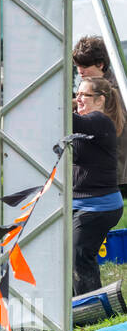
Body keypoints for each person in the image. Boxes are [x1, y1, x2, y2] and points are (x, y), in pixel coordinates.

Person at [72, 77, 125, 294]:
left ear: (100, 100)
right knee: (73, 255)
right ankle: (76, 304)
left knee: (79, 254)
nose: (78, 99)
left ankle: (91, 308)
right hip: (81, 203)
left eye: (84, 95)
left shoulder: (99, 121)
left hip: (99, 207)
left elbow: (72, 119)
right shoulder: (86, 124)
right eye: (78, 94)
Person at [72, 36, 127, 197]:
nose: (80, 71)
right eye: (77, 66)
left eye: (84, 65)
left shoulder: (116, 89)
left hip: (112, 164)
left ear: (100, 64)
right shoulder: (94, 85)